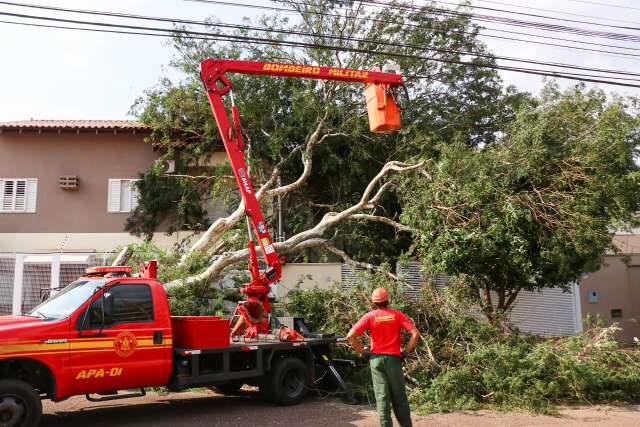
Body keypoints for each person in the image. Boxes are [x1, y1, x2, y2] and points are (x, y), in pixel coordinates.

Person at [347, 287, 420, 427]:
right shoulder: (397, 315)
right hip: (394, 360)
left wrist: (363, 352)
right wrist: (406, 352)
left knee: (382, 398)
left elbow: (350, 336)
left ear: (373, 302)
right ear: (388, 300)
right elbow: (415, 334)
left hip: (376, 361)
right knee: (399, 397)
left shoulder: (369, 316)